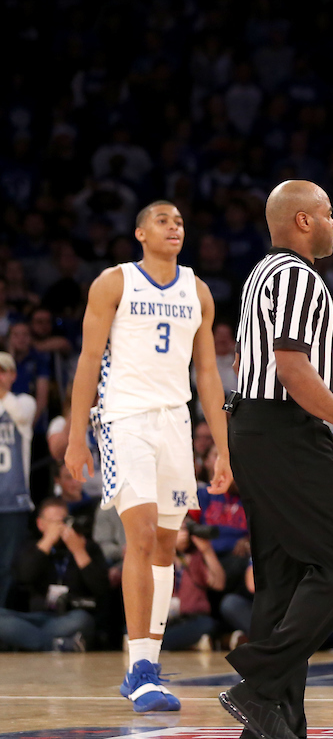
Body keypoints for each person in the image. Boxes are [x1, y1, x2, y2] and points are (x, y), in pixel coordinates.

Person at [220, 180, 333, 739]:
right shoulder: (296, 276)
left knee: (283, 582)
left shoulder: (261, 273)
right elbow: (292, 371)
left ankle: (272, 724)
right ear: (304, 222)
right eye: (329, 214)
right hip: (285, 430)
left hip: (256, 429)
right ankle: (258, 684)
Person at [63, 200, 232, 714]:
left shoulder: (197, 290)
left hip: (175, 423)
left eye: (180, 220)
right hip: (124, 419)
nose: (174, 227)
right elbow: (89, 359)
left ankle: (149, 667)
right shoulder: (113, 283)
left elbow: (206, 374)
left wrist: (223, 447)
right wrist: (76, 437)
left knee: (165, 544)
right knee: (138, 535)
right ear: (139, 232)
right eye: (163, 220)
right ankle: (138, 669)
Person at [0, 497, 107, 651]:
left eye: (63, 521)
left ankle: (29, 641)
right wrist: (48, 541)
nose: (59, 526)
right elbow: (23, 576)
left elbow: (101, 588)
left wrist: (78, 551)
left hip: (69, 617)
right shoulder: (30, 546)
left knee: (83, 620)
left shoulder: (86, 546)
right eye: (52, 522)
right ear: (40, 524)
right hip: (33, 617)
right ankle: (56, 644)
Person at [0, 351, 36, 608]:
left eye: (3, 370)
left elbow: (21, 416)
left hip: (14, 501)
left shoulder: (24, 402)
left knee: (8, 566)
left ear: (13, 374)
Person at [162, 523, 225, 651]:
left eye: (186, 529)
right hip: (165, 621)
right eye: (178, 529)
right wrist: (169, 547)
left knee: (208, 624)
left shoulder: (196, 557)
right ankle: (190, 644)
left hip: (193, 619)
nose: (183, 534)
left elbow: (219, 584)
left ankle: (168, 645)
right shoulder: (159, 556)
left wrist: (207, 551)